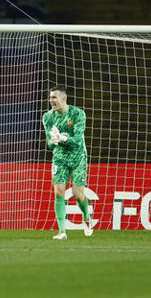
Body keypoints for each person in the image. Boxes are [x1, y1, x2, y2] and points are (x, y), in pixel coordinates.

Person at [41, 86, 92, 240]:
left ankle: (86, 217)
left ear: (63, 98)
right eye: (50, 98)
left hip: (78, 158)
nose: (51, 101)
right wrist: (54, 140)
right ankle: (62, 232)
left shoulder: (77, 114)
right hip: (60, 158)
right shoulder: (48, 117)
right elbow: (49, 144)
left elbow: (77, 140)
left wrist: (63, 137)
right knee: (59, 192)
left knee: (78, 195)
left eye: (54, 97)